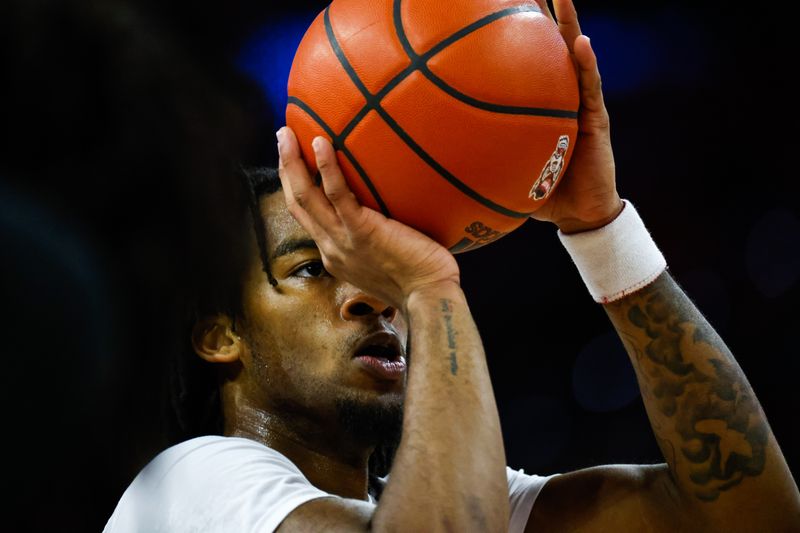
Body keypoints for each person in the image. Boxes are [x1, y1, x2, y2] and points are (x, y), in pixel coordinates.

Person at [104, 0, 800, 531]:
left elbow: (750, 511)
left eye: (377, 267)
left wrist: (600, 229)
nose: (371, 295)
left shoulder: (440, 498)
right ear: (219, 333)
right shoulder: (193, 484)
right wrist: (427, 281)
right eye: (314, 268)